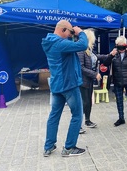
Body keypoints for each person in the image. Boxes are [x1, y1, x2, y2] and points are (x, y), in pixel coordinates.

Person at [42, 20, 88, 157]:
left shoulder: (49, 42)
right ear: (62, 30)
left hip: (57, 85)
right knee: (77, 115)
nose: (70, 35)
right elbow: (83, 44)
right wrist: (80, 32)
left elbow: (72, 47)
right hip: (68, 85)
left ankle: (48, 146)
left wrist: (73, 33)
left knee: (54, 116)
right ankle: (69, 148)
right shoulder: (60, 44)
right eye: (69, 32)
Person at [103, 36, 127, 129]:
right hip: (117, 81)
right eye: (119, 47)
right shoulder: (114, 53)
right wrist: (111, 55)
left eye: (123, 46)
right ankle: (121, 118)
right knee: (119, 101)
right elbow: (106, 63)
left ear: (126, 45)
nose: (121, 49)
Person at [77, 29, 108, 132]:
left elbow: (96, 57)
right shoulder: (80, 50)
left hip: (89, 81)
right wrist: (95, 74)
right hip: (82, 81)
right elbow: (81, 67)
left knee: (88, 102)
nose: (94, 41)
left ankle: (87, 120)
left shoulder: (89, 50)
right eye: (93, 39)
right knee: (83, 103)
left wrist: (110, 55)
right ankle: (78, 125)